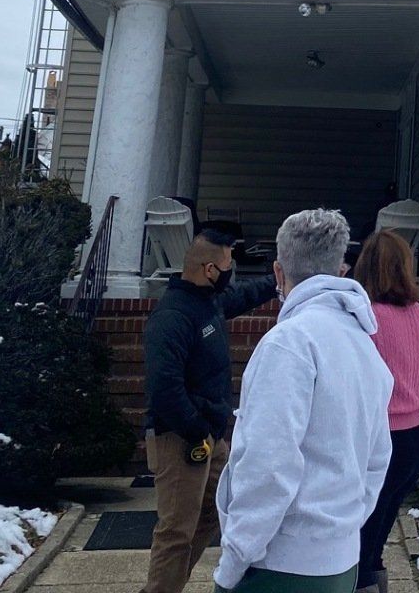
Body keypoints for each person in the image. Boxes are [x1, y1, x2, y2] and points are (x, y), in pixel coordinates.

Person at [215, 208, 394, 593]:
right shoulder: (365, 347)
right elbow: (377, 457)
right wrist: (342, 527)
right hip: (340, 559)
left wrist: (231, 564)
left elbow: (267, 466)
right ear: (341, 271)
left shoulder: (288, 344)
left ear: (279, 273)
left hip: (279, 565)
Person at [141, 227, 281, 593]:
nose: (231, 272)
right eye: (227, 265)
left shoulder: (210, 302)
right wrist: (195, 430)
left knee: (212, 514)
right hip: (180, 438)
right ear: (208, 270)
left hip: (210, 436)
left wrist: (278, 277)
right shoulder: (173, 316)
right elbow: (163, 388)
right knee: (176, 531)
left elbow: (245, 294)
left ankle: (170, 585)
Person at [352, 230, 419, 593]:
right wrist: (410, 408)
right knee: (379, 531)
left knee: (358, 538)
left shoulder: (363, 318)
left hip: (375, 440)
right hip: (413, 441)